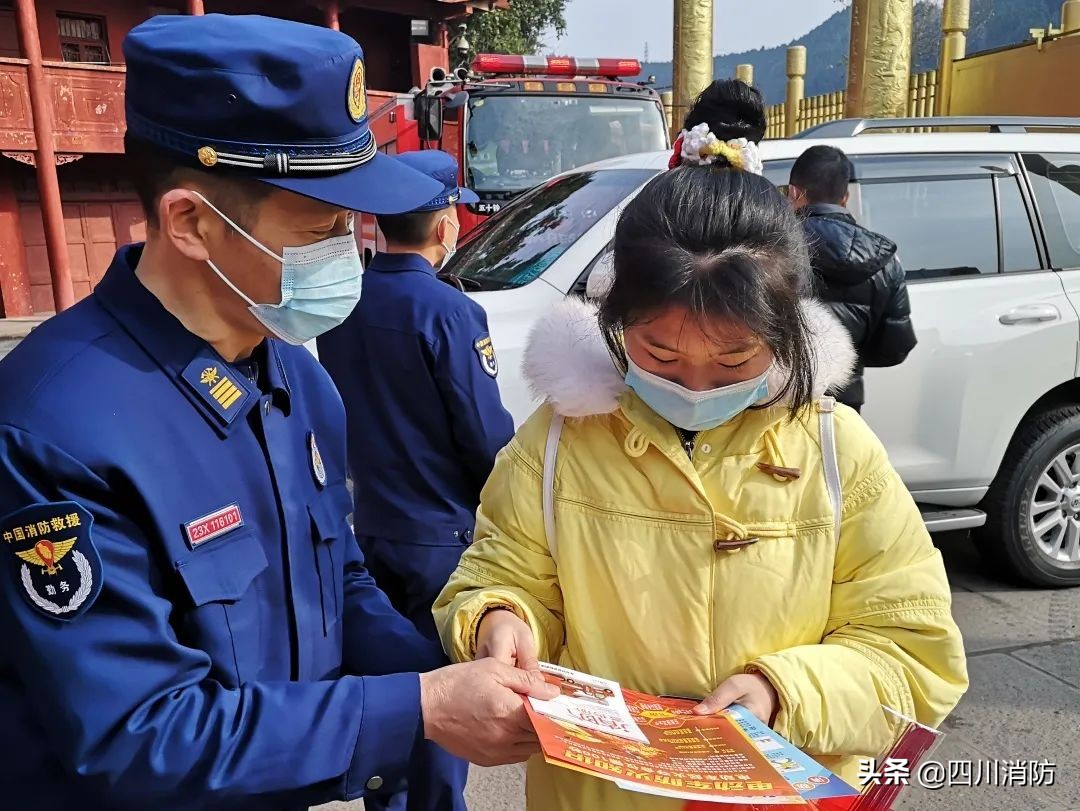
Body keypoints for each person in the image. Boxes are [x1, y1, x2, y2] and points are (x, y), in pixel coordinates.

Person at [0, 15, 556, 811]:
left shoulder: (296, 377)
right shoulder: (52, 430)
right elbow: (138, 735)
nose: (349, 253)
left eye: (352, 227)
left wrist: (453, 672)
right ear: (191, 222)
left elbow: (339, 584)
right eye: (322, 229)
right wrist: (420, 707)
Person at [434, 155, 969, 807]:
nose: (694, 385)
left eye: (733, 360)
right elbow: (503, 571)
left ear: (784, 330)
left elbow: (915, 653)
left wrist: (784, 694)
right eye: (660, 355)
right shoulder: (557, 443)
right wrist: (499, 616)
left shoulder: (837, 452)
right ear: (616, 320)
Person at [317, 149, 514, 808]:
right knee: (445, 705)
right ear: (445, 224)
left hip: (373, 527)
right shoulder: (450, 311)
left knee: (393, 693)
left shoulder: (346, 302)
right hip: (442, 538)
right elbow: (485, 437)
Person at [788, 144, 918, 412]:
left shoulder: (771, 247)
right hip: (843, 406)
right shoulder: (883, 259)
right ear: (845, 197)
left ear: (793, 192)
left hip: (779, 403)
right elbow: (895, 348)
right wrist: (848, 355)